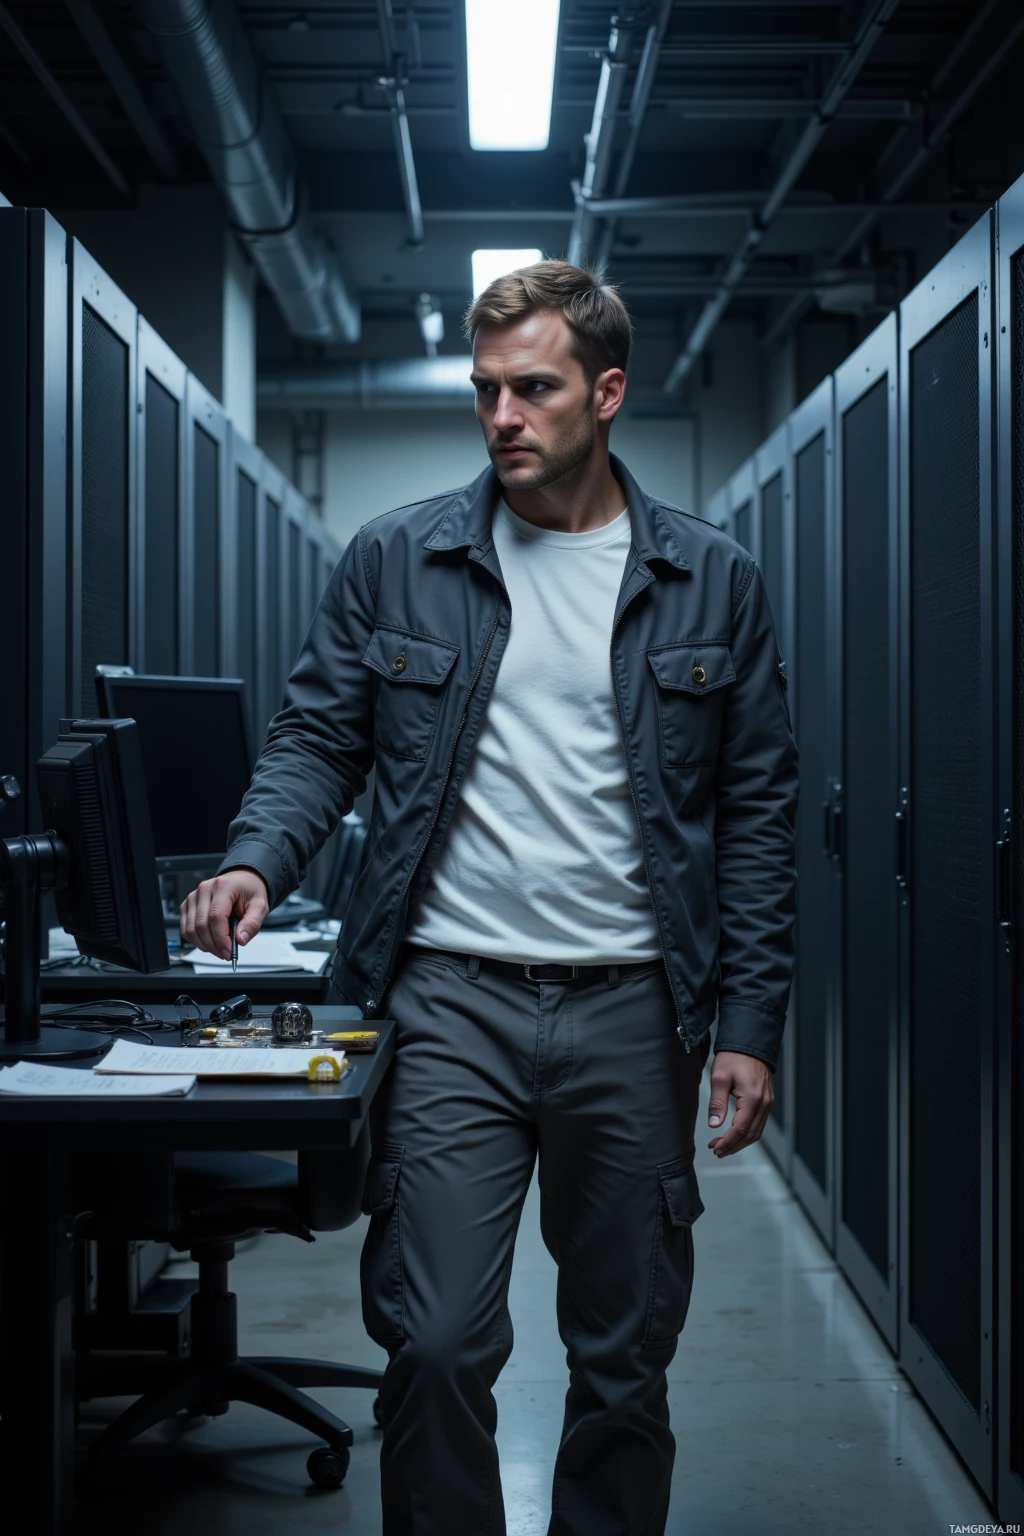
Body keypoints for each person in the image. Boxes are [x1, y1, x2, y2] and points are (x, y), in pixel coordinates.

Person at [180, 259, 799, 1536]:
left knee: (623, 1364)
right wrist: (254, 857)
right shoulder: (398, 558)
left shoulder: (711, 580)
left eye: (534, 389)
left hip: (636, 1008)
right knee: (440, 1343)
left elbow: (754, 818)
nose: (502, 416)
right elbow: (316, 742)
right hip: (447, 1001)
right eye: (485, 391)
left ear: (606, 392)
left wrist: (749, 1025)